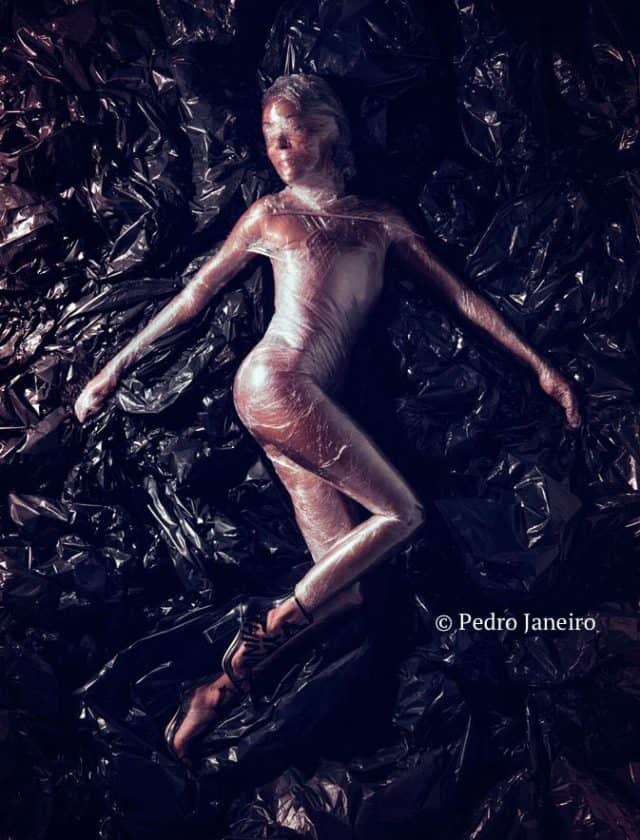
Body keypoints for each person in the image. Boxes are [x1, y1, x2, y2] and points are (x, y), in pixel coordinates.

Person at [74, 73, 581, 763]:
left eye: (293, 133)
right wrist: (111, 370)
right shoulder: (270, 215)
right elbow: (195, 295)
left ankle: (213, 693)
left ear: (331, 130)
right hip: (276, 381)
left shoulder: (379, 222)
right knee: (403, 514)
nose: (279, 149)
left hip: (304, 405)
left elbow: (461, 297)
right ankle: (236, 672)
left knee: (350, 596)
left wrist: (542, 367)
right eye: (270, 138)